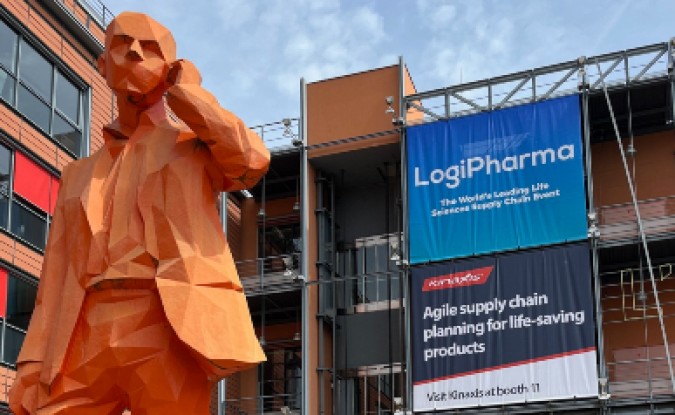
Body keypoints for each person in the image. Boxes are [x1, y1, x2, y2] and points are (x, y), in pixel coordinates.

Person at [9, 11, 268, 415]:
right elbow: (54, 278)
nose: (132, 51)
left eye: (149, 48)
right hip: (84, 331)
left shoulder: (193, 147)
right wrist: (31, 365)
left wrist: (191, 95)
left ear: (170, 69)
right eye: (121, 43)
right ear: (101, 64)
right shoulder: (76, 175)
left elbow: (250, 161)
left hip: (166, 323)